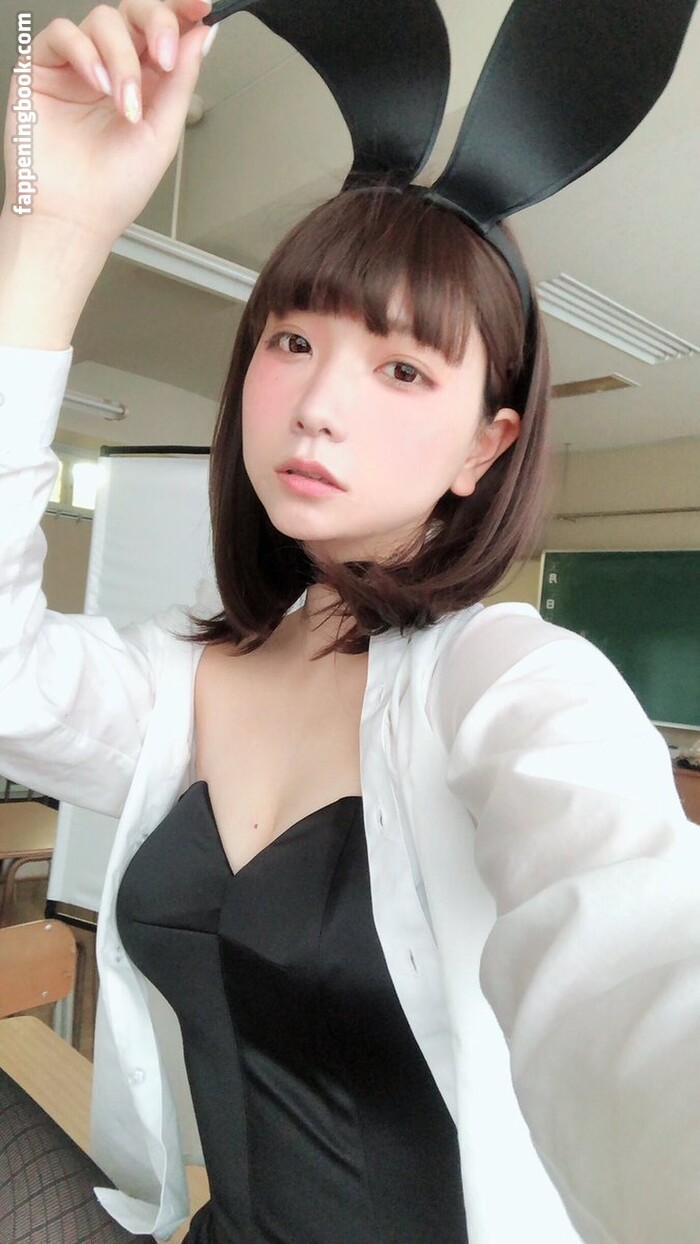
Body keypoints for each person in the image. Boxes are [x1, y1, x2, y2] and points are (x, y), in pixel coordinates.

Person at [1, 1, 699, 1242]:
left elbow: (640, 960)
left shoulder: (508, 680)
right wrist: (56, 226)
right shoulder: (182, 675)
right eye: (291, 338)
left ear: (486, 447)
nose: (318, 401)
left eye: (403, 368)